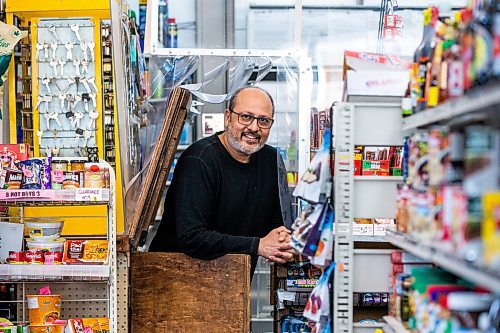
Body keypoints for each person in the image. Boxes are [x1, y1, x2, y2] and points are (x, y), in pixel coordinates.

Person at [149, 86, 295, 276]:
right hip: (176, 282)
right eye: (245, 117)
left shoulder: (271, 160)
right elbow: (192, 237)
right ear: (228, 117)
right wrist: (257, 245)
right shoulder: (199, 160)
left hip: (232, 284)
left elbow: (277, 224)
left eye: (263, 120)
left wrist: (284, 240)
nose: (253, 127)